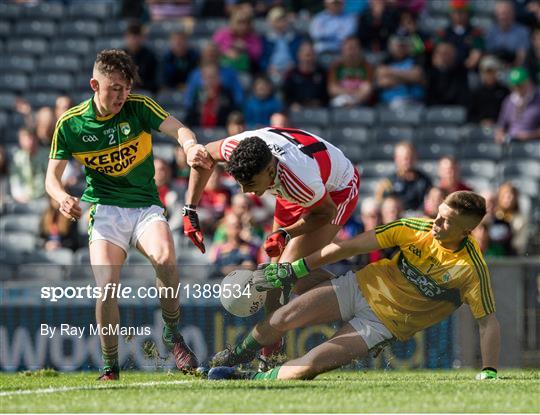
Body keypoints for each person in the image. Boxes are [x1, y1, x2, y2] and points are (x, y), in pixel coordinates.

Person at [209, 191, 500, 382]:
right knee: (283, 317)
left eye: (446, 222)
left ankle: (247, 379)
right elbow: (347, 248)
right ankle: (236, 356)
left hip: (382, 325)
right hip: (359, 287)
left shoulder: (470, 268)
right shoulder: (414, 228)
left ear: (466, 231)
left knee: (310, 365)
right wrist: (295, 267)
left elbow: (487, 322)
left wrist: (489, 370)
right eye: (438, 214)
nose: (435, 222)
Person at [45, 49, 212, 381]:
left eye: (126, 87)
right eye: (115, 88)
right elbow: (51, 177)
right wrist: (62, 196)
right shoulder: (71, 124)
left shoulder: (139, 107)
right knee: (106, 287)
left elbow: (179, 129)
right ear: (95, 84)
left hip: (145, 206)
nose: (123, 95)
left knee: (166, 258)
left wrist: (190, 146)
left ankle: (172, 333)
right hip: (105, 211)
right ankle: (110, 367)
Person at [184, 126, 360, 362]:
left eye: (250, 184)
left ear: (268, 170)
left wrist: (287, 233)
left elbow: (323, 213)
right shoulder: (237, 149)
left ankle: (364, 308)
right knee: (273, 275)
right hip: (296, 187)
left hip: (336, 190)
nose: (247, 192)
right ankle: (273, 353)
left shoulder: (299, 179)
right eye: (240, 184)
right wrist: (190, 210)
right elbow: (203, 156)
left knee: (283, 273)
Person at [376, 141, 432, 211]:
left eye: (411, 157)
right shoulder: (387, 183)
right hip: (396, 220)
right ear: (396, 159)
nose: (408, 161)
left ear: (416, 158)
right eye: (405, 158)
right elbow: (380, 205)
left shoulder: (425, 181)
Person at [495, 67, 540, 143]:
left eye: (519, 85)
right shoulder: (508, 101)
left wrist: (529, 135)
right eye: (513, 85)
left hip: (534, 144)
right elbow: (501, 126)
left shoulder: (538, 99)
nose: (516, 88)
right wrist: (500, 135)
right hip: (512, 142)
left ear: (527, 82)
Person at [327, 37, 374, 107]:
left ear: (359, 50)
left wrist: (354, 99)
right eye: (349, 48)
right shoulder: (336, 66)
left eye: (354, 48)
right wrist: (350, 94)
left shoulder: (366, 66)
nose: (352, 52)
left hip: (359, 101)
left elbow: (367, 90)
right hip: (341, 99)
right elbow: (332, 89)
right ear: (343, 50)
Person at [10, 127, 49, 203]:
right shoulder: (17, 158)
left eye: (30, 138)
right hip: (24, 199)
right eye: (25, 139)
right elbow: (14, 181)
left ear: (36, 138)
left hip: (45, 197)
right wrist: (19, 196)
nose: (29, 142)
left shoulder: (47, 154)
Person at [485, 0, 530, 66]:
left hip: (514, 68)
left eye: (506, 13)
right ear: (495, 14)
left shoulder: (522, 31)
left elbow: (522, 56)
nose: (503, 17)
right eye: (500, 13)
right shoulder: (491, 31)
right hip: (494, 68)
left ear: (513, 13)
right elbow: (487, 53)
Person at [467, 56, 509, 126]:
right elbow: (470, 116)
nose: (489, 75)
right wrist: (481, 121)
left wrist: (496, 122)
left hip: (499, 127)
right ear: (482, 73)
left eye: (492, 71)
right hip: (479, 128)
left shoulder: (505, 91)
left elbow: (508, 113)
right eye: (487, 72)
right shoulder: (476, 93)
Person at [123, 21, 158, 93]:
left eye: (137, 37)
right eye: (132, 37)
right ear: (127, 37)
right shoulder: (120, 56)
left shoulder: (150, 56)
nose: (134, 41)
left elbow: (155, 82)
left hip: (144, 91)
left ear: (142, 38)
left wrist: (139, 84)